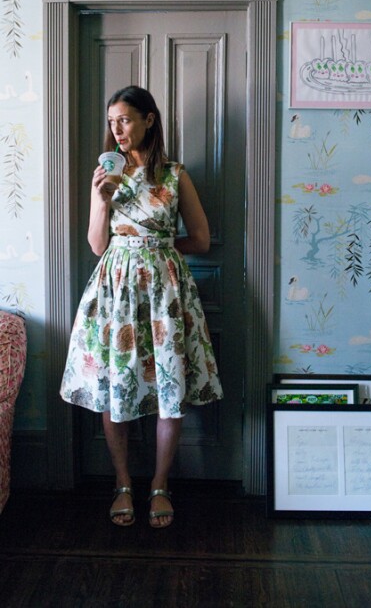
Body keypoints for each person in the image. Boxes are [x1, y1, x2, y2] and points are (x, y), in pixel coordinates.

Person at [60, 85, 223, 528]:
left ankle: (159, 485)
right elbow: (97, 246)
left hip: (165, 293)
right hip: (115, 291)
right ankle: (123, 483)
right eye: (112, 121)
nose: (117, 130)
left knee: (170, 390)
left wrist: (161, 248)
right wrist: (100, 200)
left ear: (149, 119)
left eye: (125, 120)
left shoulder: (174, 175)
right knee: (116, 386)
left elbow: (203, 240)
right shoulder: (105, 175)